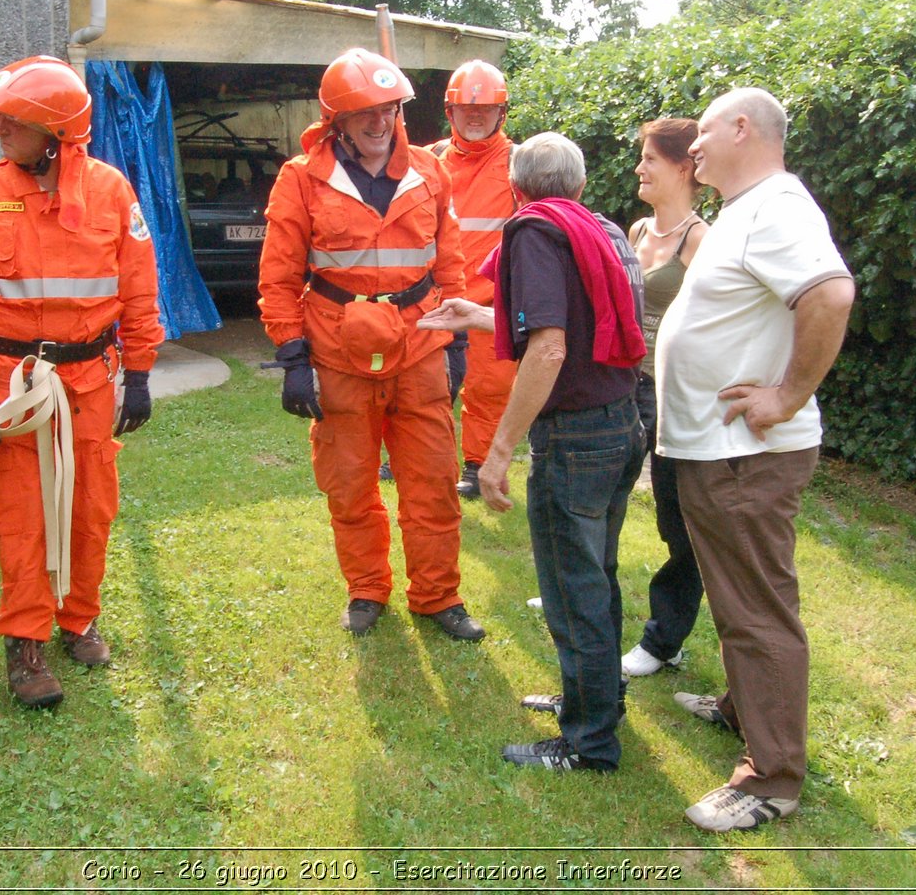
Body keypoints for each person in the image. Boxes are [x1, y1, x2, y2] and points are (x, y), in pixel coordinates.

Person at [0, 56, 162, 709]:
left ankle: (78, 617)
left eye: (18, 120)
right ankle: (25, 644)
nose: (2, 127)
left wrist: (140, 373)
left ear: (57, 132)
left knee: (91, 507)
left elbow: (139, 288)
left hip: (89, 381)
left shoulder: (111, 192)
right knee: (24, 516)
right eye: (3, 117)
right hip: (14, 386)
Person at [657, 87, 855, 832]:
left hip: (747, 452)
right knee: (737, 595)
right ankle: (744, 709)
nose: (694, 146)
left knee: (757, 611)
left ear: (743, 128)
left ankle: (771, 778)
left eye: (703, 132)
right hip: (719, 452)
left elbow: (831, 295)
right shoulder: (749, 208)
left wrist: (786, 394)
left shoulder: (778, 207)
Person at [422, 131, 647, 771]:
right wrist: (481, 314)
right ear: (577, 186)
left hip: (575, 440)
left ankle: (588, 743)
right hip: (621, 423)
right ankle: (596, 700)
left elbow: (548, 347)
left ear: (516, 190)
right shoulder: (602, 229)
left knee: (574, 588)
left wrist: (497, 453)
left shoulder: (534, 231)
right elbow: (576, 329)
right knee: (595, 577)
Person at [258, 47, 483, 641]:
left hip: (421, 345)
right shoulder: (301, 179)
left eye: (388, 109)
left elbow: (449, 261)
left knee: (433, 480)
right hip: (337, 351)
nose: (379, 122)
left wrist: (455, 340)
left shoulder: (431, 174)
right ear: (336, 120)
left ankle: (438, 595)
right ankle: (365, 590)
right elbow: (279, 275)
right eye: (364, 113)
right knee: (350, 480)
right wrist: (292, 357)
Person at [621, 118, 708, 679]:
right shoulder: (635, 232)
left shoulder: (702, 241)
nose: (639, 168)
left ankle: (664, 640)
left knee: (678, 521)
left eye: (650, 158)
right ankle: (589, 590)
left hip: (674, 395)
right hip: (627, 387)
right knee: (603, 492)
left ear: (682, 167)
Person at [434, 60, 519, 501]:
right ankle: (418, 455)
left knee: (488, 386)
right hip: (438, 298)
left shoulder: (518, 165)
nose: (475, 116)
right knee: (425, 384)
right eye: (466, 109)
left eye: (485, 109)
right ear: (450, 112)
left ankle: (478, 464)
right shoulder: (428, 162)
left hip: (490, 303)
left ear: (500, 113)